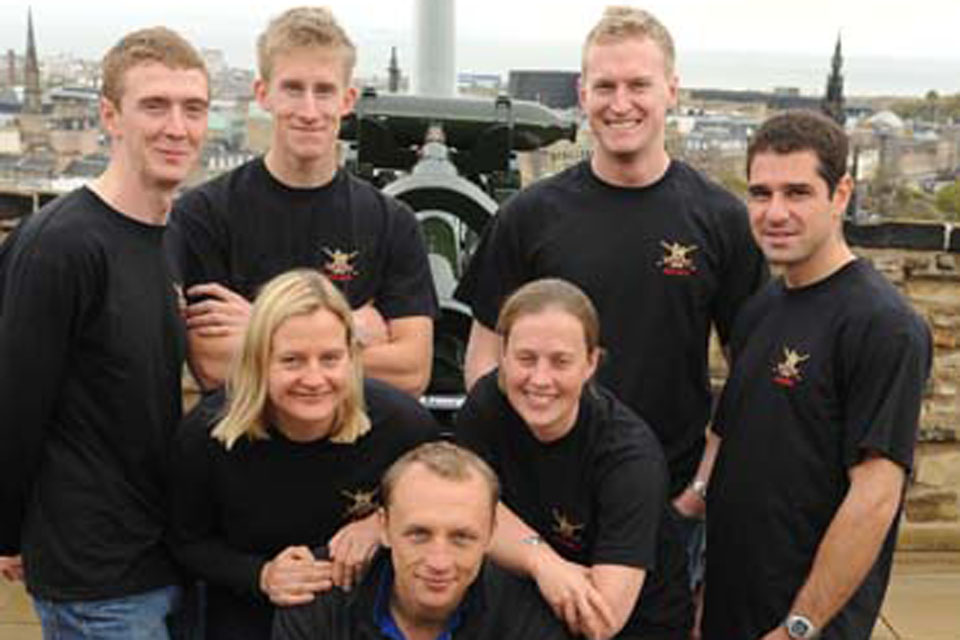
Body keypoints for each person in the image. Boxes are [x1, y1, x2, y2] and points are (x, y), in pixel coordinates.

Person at [454, 5, 767, 563]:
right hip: (537, 504)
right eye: (605, 86)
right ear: (582, 92)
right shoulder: (530, 215)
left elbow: (749, 374)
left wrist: (697, 493)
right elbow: (484, 354)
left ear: (672, 90)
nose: (620, 103)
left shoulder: (721, 220)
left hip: (666, 505)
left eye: (639, 85)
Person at [0, 27, 208, 638]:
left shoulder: (169, 235)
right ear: (110, 117)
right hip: (95, 575)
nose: (178, 127)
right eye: (155, 106)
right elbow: (14, 402)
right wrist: (7, 531)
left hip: (159, 555)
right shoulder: (60, 245)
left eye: (193, 108)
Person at [701, 110, 932, 640]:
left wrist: (798, 627)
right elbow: (731, 442)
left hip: (807, 622)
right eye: (761, 193)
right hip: (731, 608)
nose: (775, 212)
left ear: (841, 193)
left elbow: (874, 497)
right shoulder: (761, 307)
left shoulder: (884, 326)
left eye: (798, 192)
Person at [168, 6, 436, 396]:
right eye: (293, 89)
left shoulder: (392, 222)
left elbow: (411, 371)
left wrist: (258, 325)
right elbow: (212, 364)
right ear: (264, 94)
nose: (309, 111)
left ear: (347, 100)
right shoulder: (204, 214)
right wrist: (353, 328)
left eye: (324, 91)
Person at [170, 269, 440, 640]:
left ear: (352, 357)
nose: (314, 380)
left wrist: (381, 522)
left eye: (330, 359)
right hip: (250, 612)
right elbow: (186, 542)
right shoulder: (208, 435)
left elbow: (444, 511)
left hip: (360, 616)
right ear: (258, 361)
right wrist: (261, 575)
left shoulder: (403, 427)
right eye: (292, 360)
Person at [456, 279, 692, 640]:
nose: (540, 379)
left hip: (637, 627)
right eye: (525, 358)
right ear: (503, 355)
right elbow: (464, 508)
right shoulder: (486, 406)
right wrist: (543, 562)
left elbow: (601, 620)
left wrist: (511, 546)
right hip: (532, 609)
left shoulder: (629, 457)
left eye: (560, 361)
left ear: (590, 363)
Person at [273, 440, 574, 640]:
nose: (438, 561)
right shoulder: (317, 597)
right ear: (384, 528)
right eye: (419, 534)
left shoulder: (525, 615)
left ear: (491, 534)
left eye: (461, 537)